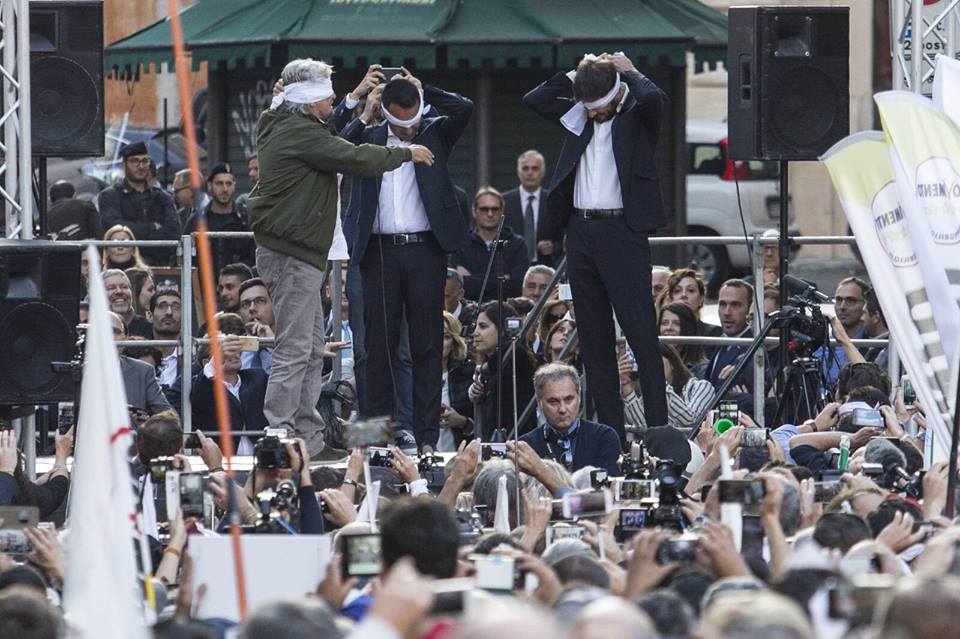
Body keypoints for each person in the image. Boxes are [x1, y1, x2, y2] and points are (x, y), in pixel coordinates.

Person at [246, 58, 430, 461]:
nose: (333, 98)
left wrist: (354, 98)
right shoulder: (300, 132)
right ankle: (278, 434)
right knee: (296, 348)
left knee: (312, 348)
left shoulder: (287, 121)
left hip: (300, 253)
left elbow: (331, 129)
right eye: (328, 93)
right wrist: (405, 154)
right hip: (292, 253)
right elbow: (352, 155)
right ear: (311, 101)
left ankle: (308, 437)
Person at [524, 51, 668, 446]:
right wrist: (580, 72)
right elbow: (534, 99)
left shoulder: (637, 114)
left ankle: (658, 432)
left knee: (641, 334)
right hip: (581, 230)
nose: (596, 115)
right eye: (590, 108)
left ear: (617, 93)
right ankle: (612, 436)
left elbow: (656, 98)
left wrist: (629, 70)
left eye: (601, 108)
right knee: (594, 340)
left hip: (623, 230)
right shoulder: (577, 118)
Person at [343, 67, 473, 453]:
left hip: (425, 250)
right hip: (378, 250)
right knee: (375, 348)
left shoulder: (432, 131)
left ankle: (426, 437)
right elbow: (331, 142)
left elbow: (464, 108)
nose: (409, 134)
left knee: (427, 346)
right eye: (402, 127)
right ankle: (380, 440)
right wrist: (358, 105)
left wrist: (423, 88)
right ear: (385, 114)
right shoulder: (366, 136)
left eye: (414, 123)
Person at [520, 363, 620, 475]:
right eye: (553, 402)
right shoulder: (527, 446)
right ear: (539, 403)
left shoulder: (604, 437)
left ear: (579, 398)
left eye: (568, 399)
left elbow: (610, 487)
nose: (562, 409)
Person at [190, 313, 268, 451]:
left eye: (234, 348)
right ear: (207, 362)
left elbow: (283, 381)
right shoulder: (203, 388)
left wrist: (269, 341)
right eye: (223, 349)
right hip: (223, 462)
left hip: (261, 459)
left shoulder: (257, 378)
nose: (231, 353)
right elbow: (199, 396)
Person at [97, 141, 180, 265]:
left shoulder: (163, 197)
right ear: (124, 165)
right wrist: (151, 228)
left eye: (145, 161)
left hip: (159, 266)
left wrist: (135, 234)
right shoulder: (110, 196)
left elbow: (174, 232)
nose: (141, 166)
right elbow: (115, 229)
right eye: (135, 161)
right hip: (123, 267)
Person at [468, 301, 537, 439]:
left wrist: (483, 369)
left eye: (483, 326)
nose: (475, 333)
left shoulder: (515, 353)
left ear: (502, 328)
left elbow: (510, 350)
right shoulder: (494, 362)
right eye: (475, 327)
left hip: (518, 444)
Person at [450, 186, 529, 302]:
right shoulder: (460, 243)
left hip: (507, 309)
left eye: (495, 209)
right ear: (474, 211)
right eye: (484, 209)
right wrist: (502, 279)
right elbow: (457, 285)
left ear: (502, 211)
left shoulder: (517, 244)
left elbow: (517, 285)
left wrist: (471, 279)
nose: (490, 214)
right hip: (468, 311)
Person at [620, 343, 715, 431]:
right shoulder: (650, 395)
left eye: (655, 359)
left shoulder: (702, 387)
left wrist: (660, 383)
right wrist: (625, 384)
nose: (651, 365)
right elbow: (645, 428)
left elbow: (690, 420)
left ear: (672, 363)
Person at [183, 163, 256, 274]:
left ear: (234, 186)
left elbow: (255, 257)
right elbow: (185, 258)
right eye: (219, 184)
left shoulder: (245, 220)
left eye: (229, 184)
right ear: (209, 185)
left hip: (239, 285)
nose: (225, 189)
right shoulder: (197, 221)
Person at [109, 310, 173, 417]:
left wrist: (144, 422)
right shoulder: (75, 369)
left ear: (125, 337)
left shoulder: (143, 372)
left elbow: (168, 417)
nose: (110, 336)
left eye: (116, 331)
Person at [705, 279, 759, 402]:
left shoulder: (755, 347)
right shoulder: (718, 341)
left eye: (735, 305)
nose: (727, 312)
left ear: (750, 309)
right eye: (722, 304)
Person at [503, 149, 559, 266]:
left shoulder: (553, 200)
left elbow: (564, 236)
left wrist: (553, 246)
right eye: (525, 168)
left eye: (535, 168)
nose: (530, 173)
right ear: (518, 172)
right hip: (512, 266)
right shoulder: (504, 201)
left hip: (545, 266)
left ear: (542, 172)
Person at [439, 311, 474, 452]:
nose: (438, 342)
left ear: (454, 343)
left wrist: (462, 422)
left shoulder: (467, 376)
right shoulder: (409, 378)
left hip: (456, 458)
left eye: (445, 337)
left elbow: (481, 428)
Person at [660, 267, 722, 339]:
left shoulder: (714, 333)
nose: (683, 295)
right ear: (670, 298)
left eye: (691, 290)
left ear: (701, 298)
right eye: (677, 291)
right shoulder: (661, 332)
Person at [659, 302, 709, 376]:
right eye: (664, 323)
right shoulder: (651, 362)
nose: (669, 328)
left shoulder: (702, 369)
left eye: (677, 323)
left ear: (689, 329)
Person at [103, 268, 154, 339]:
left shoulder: (148, 328)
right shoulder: (91, 326)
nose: (119, 291)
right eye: (111, 288)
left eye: (124, 287)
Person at [150, 289, 183, 387]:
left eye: (176, 307)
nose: (169, 312)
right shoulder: (139, 354)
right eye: (162, 306)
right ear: (150, 315)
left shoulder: (193, 356)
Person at [862, 287, 890, 369]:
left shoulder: (886, 352)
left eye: (864, 313)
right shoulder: (876, 348)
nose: (861, 318)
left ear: (876, 316)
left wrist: (844, 340)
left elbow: (870, 379)